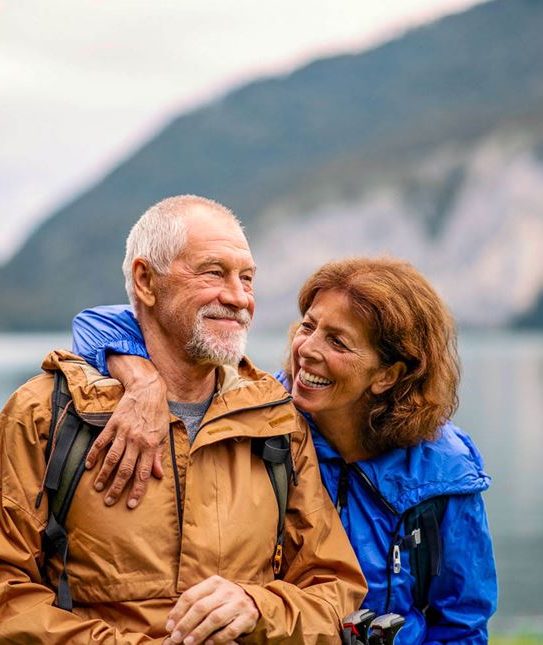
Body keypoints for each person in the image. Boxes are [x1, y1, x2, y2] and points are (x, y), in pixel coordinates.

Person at [0, 195, 367, 644]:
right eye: (213, 272)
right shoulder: (45, 413)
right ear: (146, 281)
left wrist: (257, 607)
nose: (239, 297)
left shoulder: (276, 419)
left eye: (247, 278)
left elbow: (334, 589)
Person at [71, 257, 498, 644]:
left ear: (388, 375)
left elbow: (462, 623)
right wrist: (141, 378)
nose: (307, 350)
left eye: (338, 342)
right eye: (308, 326)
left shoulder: (444, 472)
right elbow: (95, 323)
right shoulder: (262, 416)